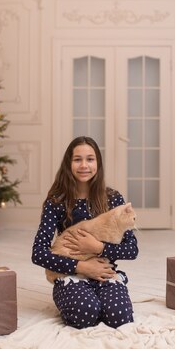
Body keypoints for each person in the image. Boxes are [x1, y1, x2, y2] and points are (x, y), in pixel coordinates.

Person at [31, 136, 138, 329]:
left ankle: (99, 298)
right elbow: (38, 253)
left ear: (98, 162)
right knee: (85, 314)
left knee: (120, 318)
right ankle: (78, 298)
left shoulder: (113, 199)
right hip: (71, 274)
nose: (84, 165)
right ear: (68, 163)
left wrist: (98, 248)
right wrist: (80, 266)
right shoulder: (56, 201)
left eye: (90, 159)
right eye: (77, 159)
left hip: (104, 273)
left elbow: (131, 249)